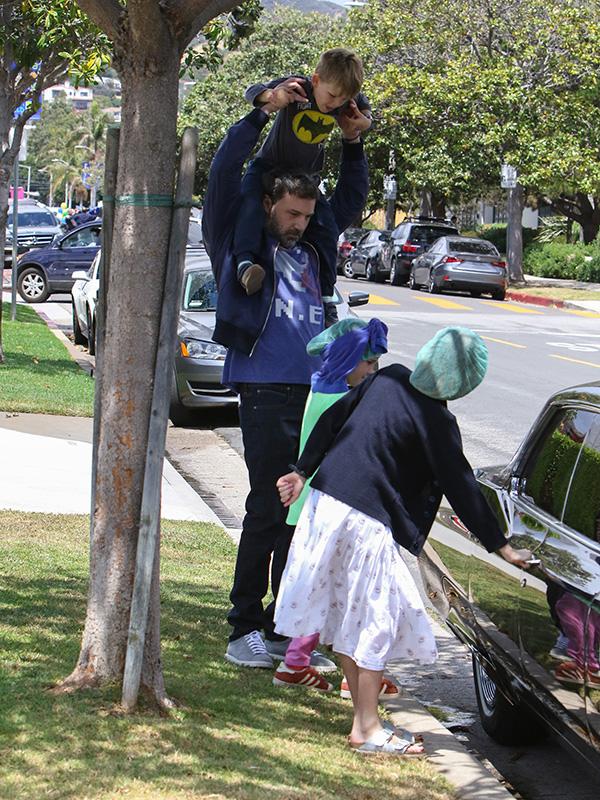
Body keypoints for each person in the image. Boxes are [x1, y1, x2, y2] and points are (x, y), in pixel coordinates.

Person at [275, 327, 534, 756]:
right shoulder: (438, 420)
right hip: (365, 521)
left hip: (327, 506)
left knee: (344, 615)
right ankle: (369, 729)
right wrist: (502, 546)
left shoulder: (389, 377)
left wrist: (301, 472)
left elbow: (331, 419)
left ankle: (365, 723)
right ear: (465, 382)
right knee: (375, 619)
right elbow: (462, 486)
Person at [201, 90, 369, 669]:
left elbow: (349, 198)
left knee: (300, 511)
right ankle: (243, 626)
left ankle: (280, 625)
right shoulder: (236, 237)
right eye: (291, 214)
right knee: (268, 505)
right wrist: (260, 111)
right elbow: (225, 174)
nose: (299, 224)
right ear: (271, 204)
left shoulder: (315, 247)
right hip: (265, 386)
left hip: (314, 390)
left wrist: (354, 143)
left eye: (305, 215)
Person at [272, 317, 388, 693]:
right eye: (368, 363)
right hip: (327, 506)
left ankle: (301, 663)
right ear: (349, 361)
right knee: (346, 589)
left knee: (330, 588)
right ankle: (337, 670)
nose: (374, 370)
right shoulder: (343, 400)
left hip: (311, 503)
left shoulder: (322, 387)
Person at [233, 48, 372, 325]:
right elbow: (252, 91)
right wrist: (272, 97)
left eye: (344, 99)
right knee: (249, 208)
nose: (336, 104)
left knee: (327, 228)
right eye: (332, 96)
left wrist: (363, 123)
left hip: (306, 179)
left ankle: (325, 294)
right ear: (316, 80)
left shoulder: (345, 100)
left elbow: (365, 112)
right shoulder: (299, 86)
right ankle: (245, 265)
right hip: (268, 168)